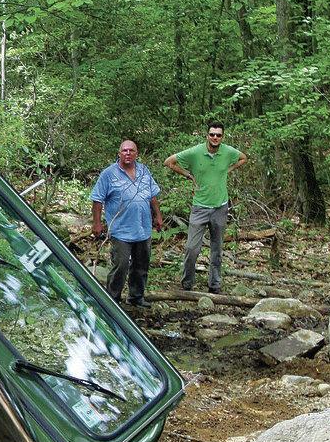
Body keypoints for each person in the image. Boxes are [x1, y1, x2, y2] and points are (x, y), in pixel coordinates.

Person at [163, 120, 247, 294]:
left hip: (220, 208)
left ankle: (214, 285)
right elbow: (169, 162)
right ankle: (187, 284)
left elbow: (243, 158)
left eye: (218, 135)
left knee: (217, 249)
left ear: (222, 137)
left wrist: (228, 170)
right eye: (212, 134)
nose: (215, 137)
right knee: (192, 248)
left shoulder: (228, 151)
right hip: (200, 207)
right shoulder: (195, 152)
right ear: (207, 135)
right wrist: (188, 175)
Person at [90, 139, 164, 309]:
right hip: (120, 229)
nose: (128, 153)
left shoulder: (144, 171)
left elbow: (152, 196)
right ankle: (112, 299)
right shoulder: (108, 174)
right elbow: (97, 200)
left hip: (143, 228)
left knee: (141, 265)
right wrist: (97, 223)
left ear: (137, 154)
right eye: (124, 151)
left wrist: (158, 216)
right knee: (121, 265)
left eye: (131, 151)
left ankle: (136, 297)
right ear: (119, 153)